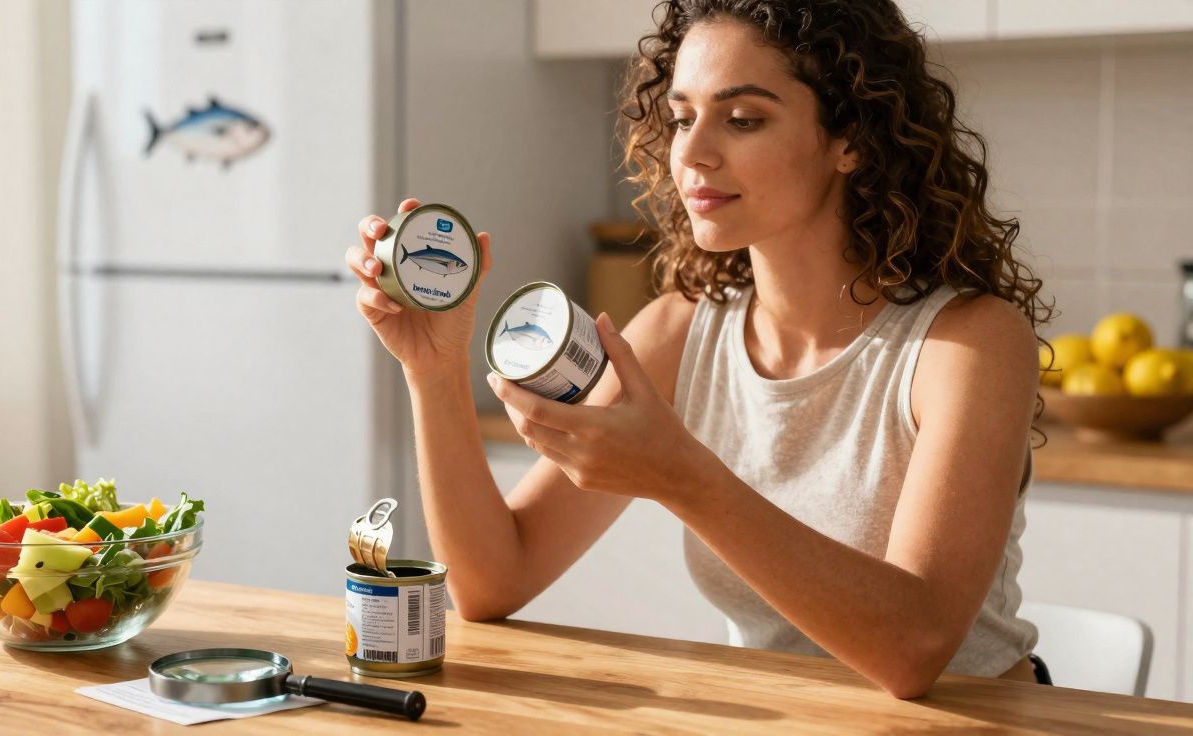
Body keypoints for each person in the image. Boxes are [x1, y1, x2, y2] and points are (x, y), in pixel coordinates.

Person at [345, 0, 1053, 699]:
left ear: (851, 139)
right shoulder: (679, 333)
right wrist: (433, 370)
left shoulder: (968, 343)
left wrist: (686, 479)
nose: (692, 151)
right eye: (683, 118)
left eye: (743, 119)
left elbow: (915, 647)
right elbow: (491, 581)